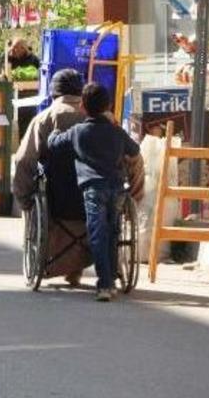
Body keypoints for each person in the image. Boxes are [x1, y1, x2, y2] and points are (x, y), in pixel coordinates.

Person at [48, 83, 143, 302]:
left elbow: (54, 144)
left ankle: (105, 284)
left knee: (97, 234)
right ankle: (111, 279)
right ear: (108, 106)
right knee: (113, 232)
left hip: (93, 189)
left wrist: (54, 132)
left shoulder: (77, 132)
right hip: (116, 188)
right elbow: (134, 149)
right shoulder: (117, 132)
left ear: (82, 106)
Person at [13, 69, 86, 287]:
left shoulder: (44, 119)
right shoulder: (98, 118)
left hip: (56, 199)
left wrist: (24, 199)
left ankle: (50, 260)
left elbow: (24, 160)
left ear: (53, 92)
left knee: (34, 196)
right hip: (93, 198)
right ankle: (78, 267)